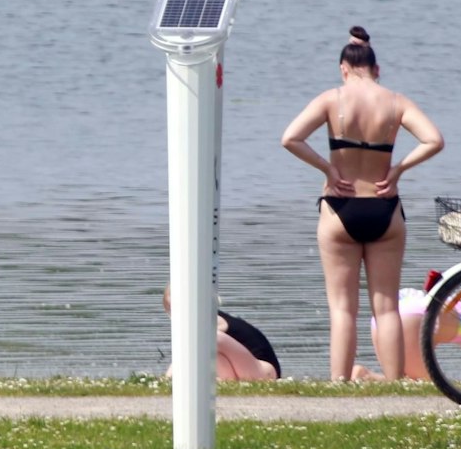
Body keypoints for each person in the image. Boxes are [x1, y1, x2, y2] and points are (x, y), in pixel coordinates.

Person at [281, 27, 445, 381]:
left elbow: (290, 138)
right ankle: (393, 383)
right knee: (386, 308)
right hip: (384, 208)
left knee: (342, 309)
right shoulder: (396, 102)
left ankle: (338, 385)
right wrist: (399, 169)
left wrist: (327, 168)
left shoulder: (331, 99)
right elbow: (434, 139)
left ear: (343, 68)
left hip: (340, 207)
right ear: (377, 69)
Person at [162, 288, 280, 381]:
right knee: (212, 354)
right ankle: (225, 381)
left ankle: (171, 379)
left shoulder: (212, 320)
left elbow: (188, 349)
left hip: (264, 371)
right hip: (245, 371)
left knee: (209, 337)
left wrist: (168, 377)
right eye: (173, 309)